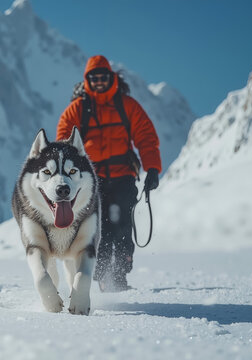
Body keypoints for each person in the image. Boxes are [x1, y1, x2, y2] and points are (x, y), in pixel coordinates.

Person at [56, 55, 161, 292]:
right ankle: (102, 274)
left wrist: (152, 167)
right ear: (87, 80)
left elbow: (145, 136)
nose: (100, 81)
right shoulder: (77, 110)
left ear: (111, 78)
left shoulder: (127, 105)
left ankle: (121, 273)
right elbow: (64, 142)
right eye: (95, 78)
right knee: (98, 225)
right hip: (93, 178)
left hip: (123, 174)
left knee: (123, 221)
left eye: (104, 77)